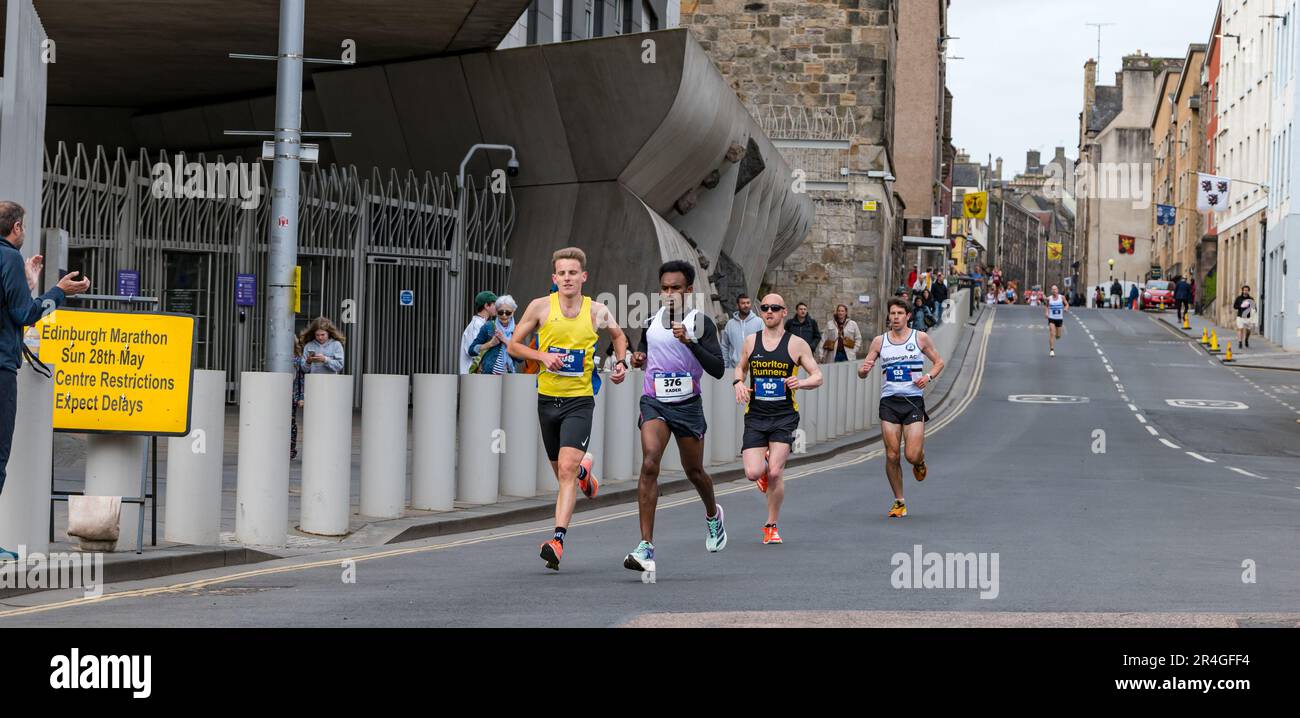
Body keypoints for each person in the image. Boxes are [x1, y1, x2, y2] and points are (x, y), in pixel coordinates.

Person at [508, 247, 628, 571]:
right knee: (563, 475)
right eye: (562, 273)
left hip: (579, 400)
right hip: (547, 400)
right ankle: (585, 474)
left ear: (583, 277)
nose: (567, 278)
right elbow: (513, 345)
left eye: (573, 273)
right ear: (554, 278)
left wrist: (620, 363)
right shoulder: (540, 308)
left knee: (565, 471)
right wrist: (542, 356)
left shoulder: (597, 311)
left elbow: (619, 336)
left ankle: (557, 541)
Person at [0, 201, 91, 561]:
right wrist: (57, 293)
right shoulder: (7, 257)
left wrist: (26, 284)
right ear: (18, 228)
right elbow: (25, 314)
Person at [624, 261, 728, 573]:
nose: (670, 294)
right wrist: (638, 357)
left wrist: (690, 342)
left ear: (688, 291)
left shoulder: (701, 323)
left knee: (694, 471)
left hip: (687, 405)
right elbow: (644, 351)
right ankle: (646, 547)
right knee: (649, 462)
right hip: (654, 401)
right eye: (665, 288)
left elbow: (718, 369)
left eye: (676, 289)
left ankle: (713, 516)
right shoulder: (650, 321)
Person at [734, 294, 822, 544]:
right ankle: (761, 471)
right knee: (753, 473)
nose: (769, 311)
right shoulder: (751, 342)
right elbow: (740, 367)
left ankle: (771, 525)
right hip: (756, 416)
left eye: (774, 308)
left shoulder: (797, 344)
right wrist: (738, 382)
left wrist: (801, 382)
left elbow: (818, 376)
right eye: (764, 308)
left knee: (775, 472)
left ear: (784, 312)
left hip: (784, 416)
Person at [859, 298, 945, 518]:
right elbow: (863, 369)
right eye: (892, 313)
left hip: (913, 401)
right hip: (889, 402)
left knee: (911, 454)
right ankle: (899, 501)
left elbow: (939, 362)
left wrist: (928, 377)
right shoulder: (880, 341)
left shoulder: (920, 338)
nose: (895, 317)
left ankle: (920, 461)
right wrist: (864, 369)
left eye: (899, 313)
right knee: (892, 454)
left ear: (908, 316)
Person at [468, 294, 519, 375]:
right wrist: (490, 344)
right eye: (501, 312)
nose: (504, 315)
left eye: (508, 312)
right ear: (497, 311)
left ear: (513, 312)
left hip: (509, 378)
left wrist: (505, 341)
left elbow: (521, 358)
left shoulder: (517, 330)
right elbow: (471, 350)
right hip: (488, 375)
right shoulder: (488, 326)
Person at [720, 293, 763, 368]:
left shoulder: (759, 322)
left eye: (748, 303)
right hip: (734, 368)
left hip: (755, 369)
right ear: (737, 305)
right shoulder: (730, 324)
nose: (746, 305)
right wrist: (725, 366)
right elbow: (724, 346)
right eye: (743, 303)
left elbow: (766, 344)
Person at [459, 291, 496, 374]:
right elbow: (474, 352)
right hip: (472, 375)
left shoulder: (480, 323)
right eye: (494, 304)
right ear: (486, 306)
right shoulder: (477, 325)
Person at [1045, 284, 1068, 357]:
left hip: (1059, 318)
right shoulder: (1049, 298)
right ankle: (1051, 350)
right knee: (1052, 333)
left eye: (1055, 289)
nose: (1054, 290)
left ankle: (1057, 335)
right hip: (1051, 318)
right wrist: (1046, 313)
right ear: (1051, 291)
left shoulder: (1062, 297)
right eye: (1053, 289)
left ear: (1057, 290)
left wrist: (1066, 308)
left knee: (1058, 336)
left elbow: (1067, 304)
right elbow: (1047, 306)